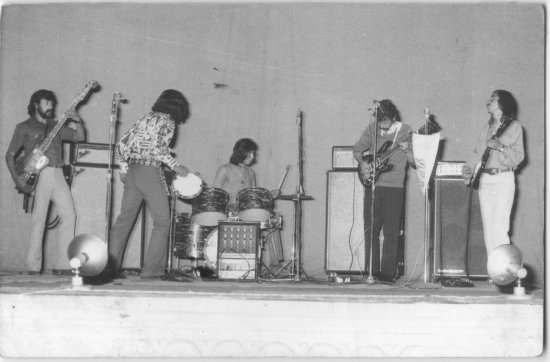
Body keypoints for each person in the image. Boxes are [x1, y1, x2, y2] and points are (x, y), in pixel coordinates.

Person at [109, 89, 193, 279]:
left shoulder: (145, 118)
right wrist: (176, 166)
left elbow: (122, 144)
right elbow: (158, 149)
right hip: (149, 172)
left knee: (124, 220)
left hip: (133, 171)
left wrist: (123, 170)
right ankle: (151, 271)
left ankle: (109, 268)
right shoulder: (168, 121)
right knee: (163, 222)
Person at [5, 89, 86, 275]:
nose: (50, 107)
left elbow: (79, 137)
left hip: (58, 173)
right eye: (46, 103)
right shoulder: (23, 127)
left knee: (70, 215)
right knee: (39, 220)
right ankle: (33, 268)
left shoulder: (56, 126)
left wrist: (77, 119)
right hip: (39, 174)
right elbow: (9, 155)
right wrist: (17, 179)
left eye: (52, 103)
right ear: (36, 105)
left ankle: (65, 265)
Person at [353, 99, 415, 283]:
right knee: (371, 229)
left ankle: (388, 275)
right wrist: (364, 164)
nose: (382, 126)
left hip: (395, 187)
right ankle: (372, 271)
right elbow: (357, 150)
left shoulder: (407, 132)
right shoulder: (372, 128)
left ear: (393, 118)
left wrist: (407, 151)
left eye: (385, 123)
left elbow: (413, 162)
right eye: (380, 122)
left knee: (391, 232)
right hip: (374, 185)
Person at [462, 90, 524, 259]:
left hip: (503, 179)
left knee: (499, 226)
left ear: (503, 103)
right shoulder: (486, 128)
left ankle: (503, 268)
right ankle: (494, 271)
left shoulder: (515, 127)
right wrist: (468, 169)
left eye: (493, 99)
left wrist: (501, 147)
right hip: (485, 180)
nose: (488, 101)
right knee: (488, 228)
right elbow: (476, 153)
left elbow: (518, 157)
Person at [213, 138, 280, 212]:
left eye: (253, 153)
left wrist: (269, 196)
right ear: (241, 152)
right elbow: (214, 196)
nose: (252, 157)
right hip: (226, 214)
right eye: (249, 153)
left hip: (244, 214)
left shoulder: (251, 172)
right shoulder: (224, 169)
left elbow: (254, 198)